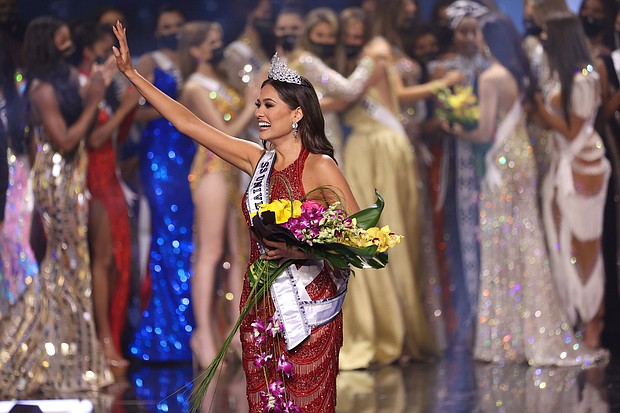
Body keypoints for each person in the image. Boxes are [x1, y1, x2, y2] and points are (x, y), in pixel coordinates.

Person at [112, 19, 358, 412]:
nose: (259, 112)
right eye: (258, 104)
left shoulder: (320, 165)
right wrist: (132, 75)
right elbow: (187, 122)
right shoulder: (254, 160)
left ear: (296, 115)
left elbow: (359, 232)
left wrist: (302, 252)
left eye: (268, 105)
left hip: (309, 306)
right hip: (260, 300)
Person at [449, 12, 607, 365]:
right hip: (523, 156)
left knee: (502, 239)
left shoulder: (492, 77)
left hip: (502, 160)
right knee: (527, 237)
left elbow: (483, 130)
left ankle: (505, 337)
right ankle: (532, 328)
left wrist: (455, 126)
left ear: (487, 40)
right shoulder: (521, 73)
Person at [334, 7, 463, 369]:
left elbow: (354, 95)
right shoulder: (378, 50)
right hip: (384, 146)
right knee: (382, 232)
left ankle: (393, 331)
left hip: (378, 147)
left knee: (383, 232)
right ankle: (396, 330)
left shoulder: (375, 52)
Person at [0, 16, 114, 396]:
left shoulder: (61, 82)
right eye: (61, 39)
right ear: (48, 43)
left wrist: (102, 84)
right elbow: (65, 140)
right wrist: (95, 99)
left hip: (74, 174)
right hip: (56, 178)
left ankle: (69, 354)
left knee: (73, 263)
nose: (68, 41)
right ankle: (30, 348)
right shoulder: (40, 89)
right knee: (66, 263)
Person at [177, 20, 258, 370]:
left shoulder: (220, 81)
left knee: (237, 254)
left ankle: (240, 335)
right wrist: (252, 104)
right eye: (209, 42)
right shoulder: (195, 86)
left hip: (234, 172)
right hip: (212, 168)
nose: (216, 46)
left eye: (217, 40)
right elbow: (222, 135)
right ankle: (203, 336)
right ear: (194, 49)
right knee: (209, 253)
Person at [536, 12, 611, 350]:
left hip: (583, 168)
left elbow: (572, 130)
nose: (542, 36)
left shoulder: (583, 77)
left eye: (546, 31)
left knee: (586, 246)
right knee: (563, 243)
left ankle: (594, 321)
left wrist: (540, 109)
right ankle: (576, 318)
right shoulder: (565, 74)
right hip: (563, 164)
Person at [128, 4, 197, 363]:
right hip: (159, 157)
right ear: (156, 31)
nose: (172, 30)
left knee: (189, 239)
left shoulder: (191, 61)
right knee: (166, 235)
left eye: (177, 25)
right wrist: (173, 108)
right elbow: (132, 110)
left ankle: (192, 331)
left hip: (190, 156)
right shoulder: (151, 61)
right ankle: (165, 335)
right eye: (166, 25)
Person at [73, 21, 138, 374]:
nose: (113, 56)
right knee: (102, 260)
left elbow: (114, 137)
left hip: (111, 179)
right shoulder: (84, 84)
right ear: (90, 51)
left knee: (116, 262)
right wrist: (127, 107)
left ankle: (110, 335)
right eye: (106, 48)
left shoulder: (104, 86)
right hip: (92, 181)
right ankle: (102, 341)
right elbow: (95, 139)